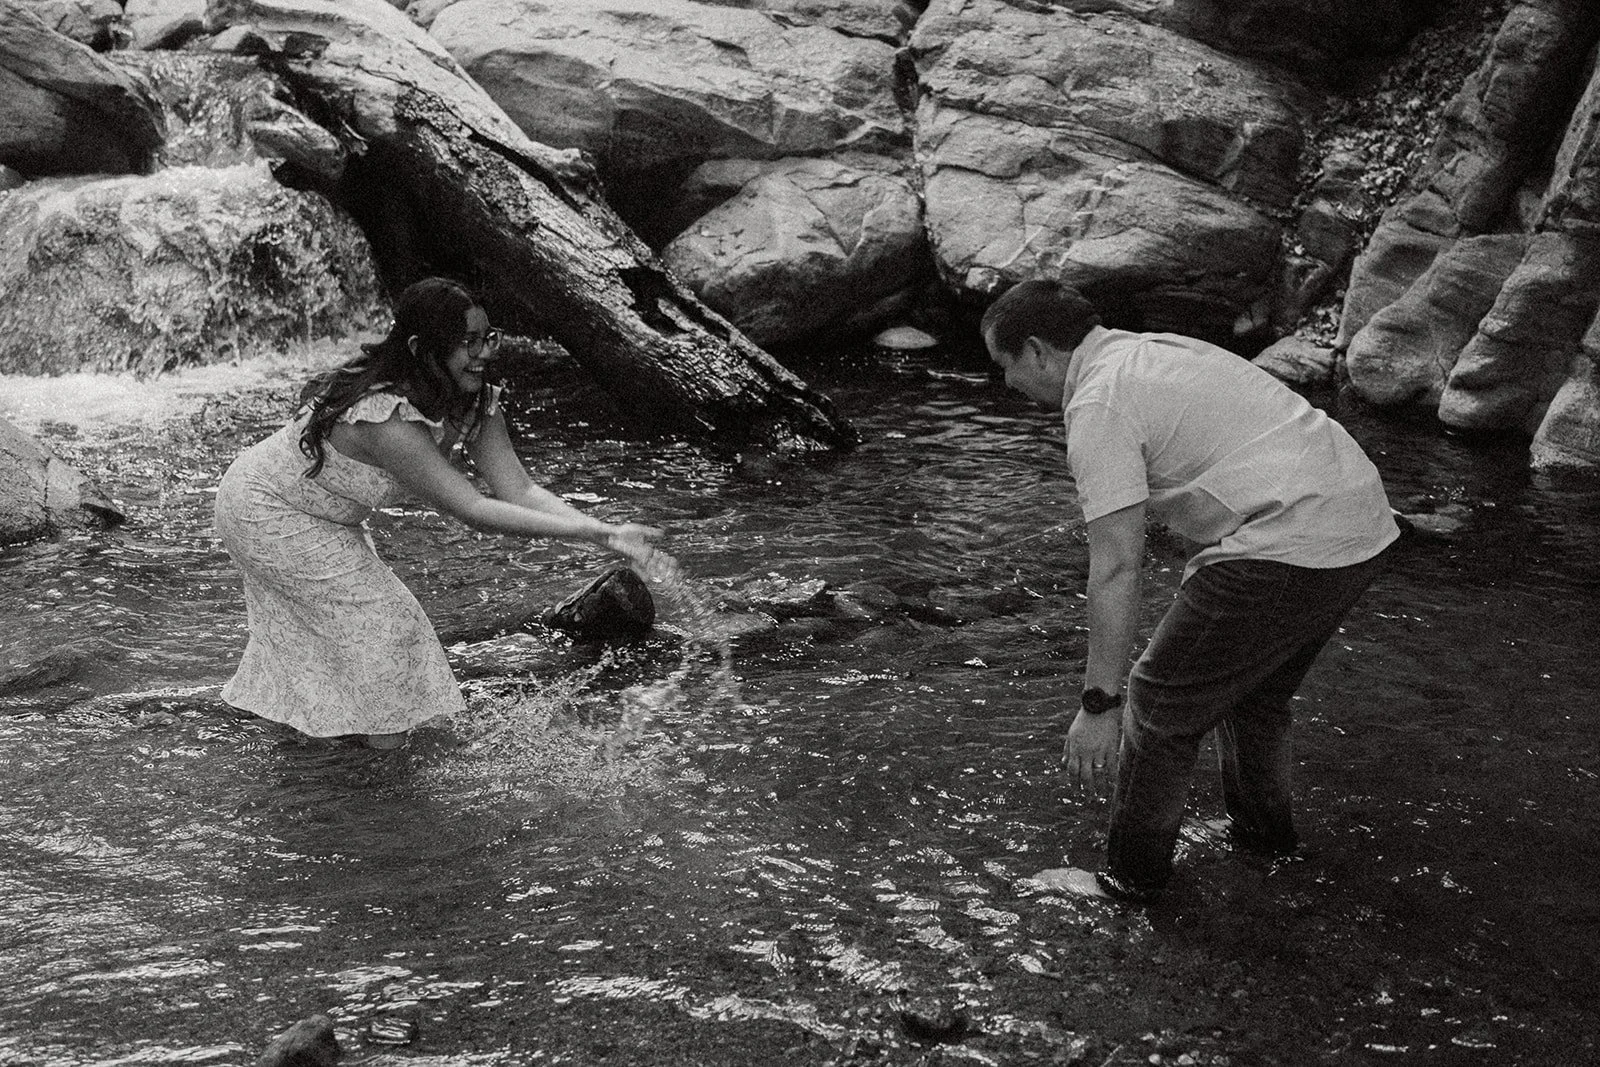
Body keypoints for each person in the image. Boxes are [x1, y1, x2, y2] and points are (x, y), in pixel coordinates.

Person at [982, 280, 1400, 902]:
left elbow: (1118, 566)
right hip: (1363, 522)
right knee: (1255, 695)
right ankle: (1261, 838)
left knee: (1157, 703)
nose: (1007, 383)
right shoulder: (1158, 350)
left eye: (1006, 365)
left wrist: (1099, 703)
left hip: (1293, 535)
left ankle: (1130, 881)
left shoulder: (1098, 403)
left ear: (1039, 351)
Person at [214, 277, 662, 749]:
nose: (484, 353)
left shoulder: (474, 399)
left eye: (489, 337)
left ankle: (306, 751)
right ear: (420, 348)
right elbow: (473, 508)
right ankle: (382, 771)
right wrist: (593, 533)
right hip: (266, 507)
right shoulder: (385, 417)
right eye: (467, 343)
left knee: (338, 634)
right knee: (388, 628)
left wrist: (602, 531)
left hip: (327, 514)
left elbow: (520, 489)